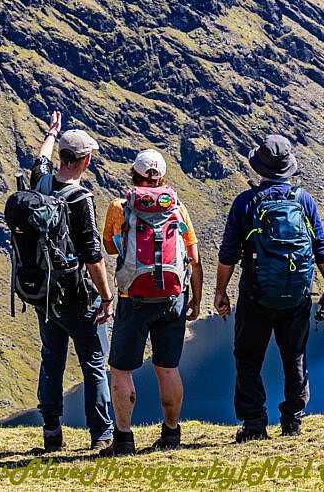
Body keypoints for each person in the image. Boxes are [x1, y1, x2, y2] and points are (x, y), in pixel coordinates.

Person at [214, 134, 324, 442]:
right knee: (294, 355)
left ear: (260, 168)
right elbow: (321, 248)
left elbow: (229, 253)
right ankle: (293, 421)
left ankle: (255, 424)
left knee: (248, 356)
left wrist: (220, 292)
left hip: (256, 295)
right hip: (297, 296)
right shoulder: (303, 200)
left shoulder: (246, 202)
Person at [98, 149, 203, 455]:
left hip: (134, 298)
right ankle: (171, 436)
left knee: (121, 370)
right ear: (163, 177)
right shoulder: (178, 210)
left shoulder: (120, 207)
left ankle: (123, 441)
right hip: (173, 298)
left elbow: (110, 247)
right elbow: (194, 259)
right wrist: (195, 300)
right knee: (167, 368)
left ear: (135, 175)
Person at [28, 112, 115, 452]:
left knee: (52, 358)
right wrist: (106, 297)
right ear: (87, 161)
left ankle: (51, 432)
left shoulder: (41, 183)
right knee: (93, 361)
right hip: (78, 296)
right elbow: (93, 254)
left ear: (62, 156)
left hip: (45, 293)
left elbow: (40, 159)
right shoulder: (81, 198)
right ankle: (101, 434)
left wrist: (52, 132)